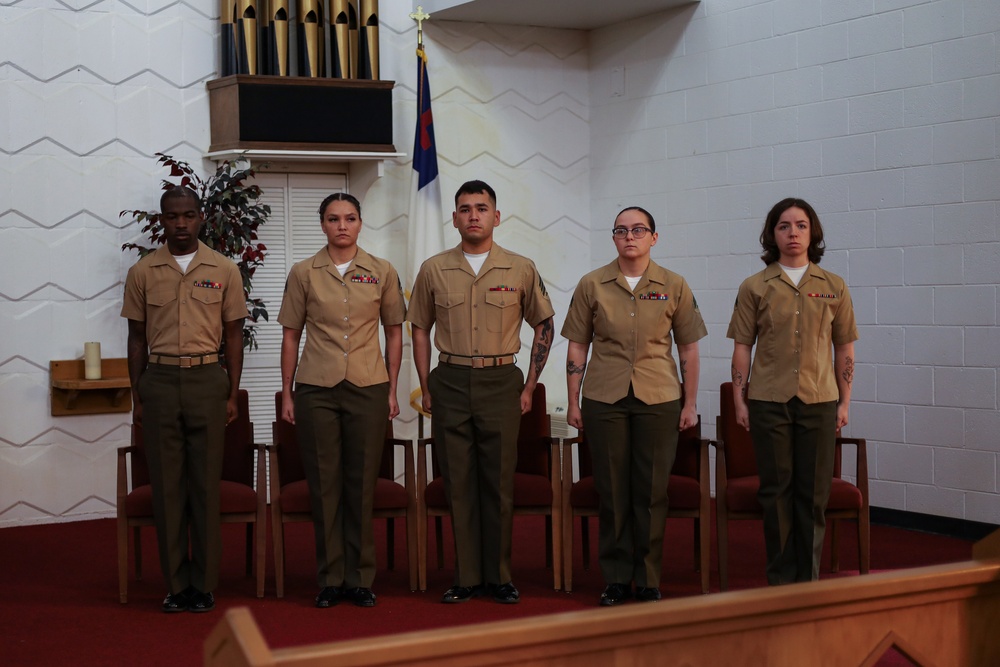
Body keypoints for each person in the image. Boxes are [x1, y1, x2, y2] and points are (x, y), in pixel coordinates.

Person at [408, 180, 555, 605]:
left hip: (500, 382)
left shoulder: (520, 267)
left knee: (498, 483)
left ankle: (500, 576)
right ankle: (467, 576)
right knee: (458, 483)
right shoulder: (434, 269)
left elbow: (543, 323)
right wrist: (425, 382)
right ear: (454, 218)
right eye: (465, 208)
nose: (474, 215)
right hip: (450, 381)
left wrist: (530, 384)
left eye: (482, 207)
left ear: (496, 216)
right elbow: (419, 327)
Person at [562, 206, 706, 606]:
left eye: (639, 230)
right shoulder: (592, 284)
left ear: (653, 238)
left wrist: (690, 402)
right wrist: (573, 400)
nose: (630, 236)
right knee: (612, 490)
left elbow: (689, 350)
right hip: (604, 398)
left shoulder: (674, 285)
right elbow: (578, 345)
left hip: (659, 398)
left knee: (650, 491)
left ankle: (648, 579)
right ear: (613, 238)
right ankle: (616, 577)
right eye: (622, 230)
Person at [122, 186, 247, 613]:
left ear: (201, 219)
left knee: (204, 486)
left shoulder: (225, 269)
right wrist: (138, 396)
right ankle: (177, 585)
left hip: (207, 380)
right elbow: (135, 338)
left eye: (189, 215)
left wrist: (231, 391)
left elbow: (234, 335)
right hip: (158, 381)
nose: (180, 224)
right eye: (173, 216)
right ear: (162, 220)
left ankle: (204, 584)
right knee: (167, 489)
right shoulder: (143, 271)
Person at [277, 192, 405, 608]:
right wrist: (288, 392)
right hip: (316, 387)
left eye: (350, 218)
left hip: (368, 385)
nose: (342, 226)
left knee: (360, 484)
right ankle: (331, 578)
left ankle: (361, 578)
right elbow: (291, 334)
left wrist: (391, 387)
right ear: (323, 225)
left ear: (361, 223)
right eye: (333, 219)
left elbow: (394, 332)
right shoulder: (303, 273)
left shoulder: (382, 271)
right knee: (325, 485)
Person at [727, 197, 858, 586]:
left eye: (801, 225)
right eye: (784, 226)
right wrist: (739, 399)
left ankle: (809, 582)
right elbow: (741, 347)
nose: (793, 233)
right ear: (772, 234)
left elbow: (845, 348)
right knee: (777, 494)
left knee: (813, 496)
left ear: (812, 232)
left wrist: (845, 401)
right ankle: (781, 583)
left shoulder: (833, 286)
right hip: (769, 402)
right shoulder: (755, 286)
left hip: (820, 401)